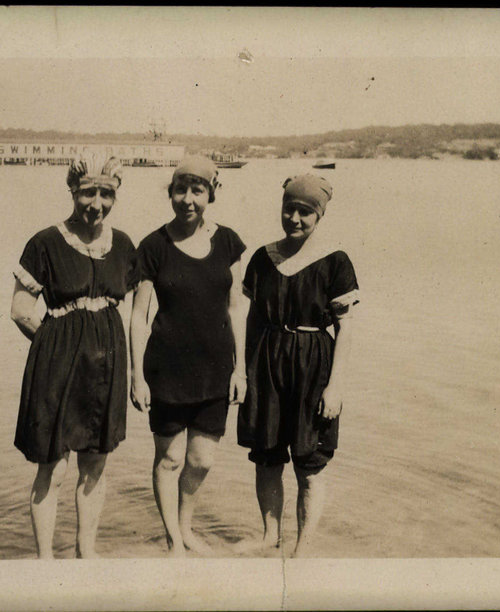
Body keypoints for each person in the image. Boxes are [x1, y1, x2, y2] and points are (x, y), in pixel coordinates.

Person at [10, 156, 137, 559]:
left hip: (106, 368)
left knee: (95, 465)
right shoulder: (45, 243)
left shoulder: (124, 245)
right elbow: (19, 309)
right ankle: (46, 561)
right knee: (54, 466)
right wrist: (54, 349)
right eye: (87, 192)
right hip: (58, 368)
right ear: (72, 191)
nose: (95, 203)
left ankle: (87, 556)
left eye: (106, 193)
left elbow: (137, 307)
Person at [130, 155, 246, 557]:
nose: (188, 199)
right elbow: (139, 315)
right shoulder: (152, 247)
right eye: (180, 189)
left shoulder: (229, 242)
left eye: (198, 190)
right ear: (170, 192)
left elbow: (236, 309)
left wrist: (241, 370)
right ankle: (174, 541)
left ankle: (185, 527)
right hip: (166, 369)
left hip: (217, 370)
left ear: (212, 192)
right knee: (170, 458)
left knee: (201, 459)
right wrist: (136, 375)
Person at [238, 173, 358, 557]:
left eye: (304, 212)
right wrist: (243, 370)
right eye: (288, 209)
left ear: (319, 216)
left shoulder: (334, 261)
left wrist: (335, 386)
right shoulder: (263, 257)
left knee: (310, 464)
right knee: (267, 457)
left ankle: (302, 549)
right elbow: (252, 318)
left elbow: (347, 327)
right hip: (267, 364)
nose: (294, 218)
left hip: (314, 368)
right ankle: (270, 537)